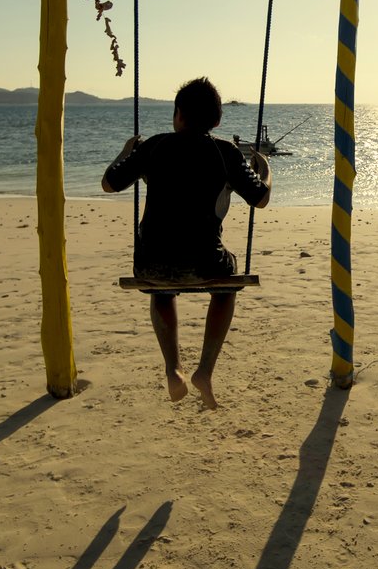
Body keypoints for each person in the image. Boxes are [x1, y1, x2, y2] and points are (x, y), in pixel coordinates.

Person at [102, 77, 271, 409]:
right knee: (227, 284)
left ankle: (173, 369)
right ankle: (204, 371)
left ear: (178, 114)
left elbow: (109, 184)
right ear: (218, 120)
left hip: (152, 261)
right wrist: (265, 169)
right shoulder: (226, 152)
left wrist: (125, 153)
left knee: (161, 286)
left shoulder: (153, 146)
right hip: (205, 262)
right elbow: (260, 198)